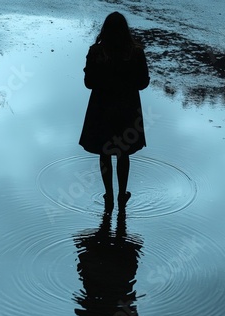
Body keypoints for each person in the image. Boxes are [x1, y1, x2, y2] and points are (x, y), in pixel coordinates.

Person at [79, 11, 150, 210]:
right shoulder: (136, 53)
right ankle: (121, 194)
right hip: (127, 110)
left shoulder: (96, 52)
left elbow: (88, 83)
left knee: (105, 152)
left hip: (102, 109)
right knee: (123, 153)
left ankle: (108, 194)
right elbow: (143, 83)